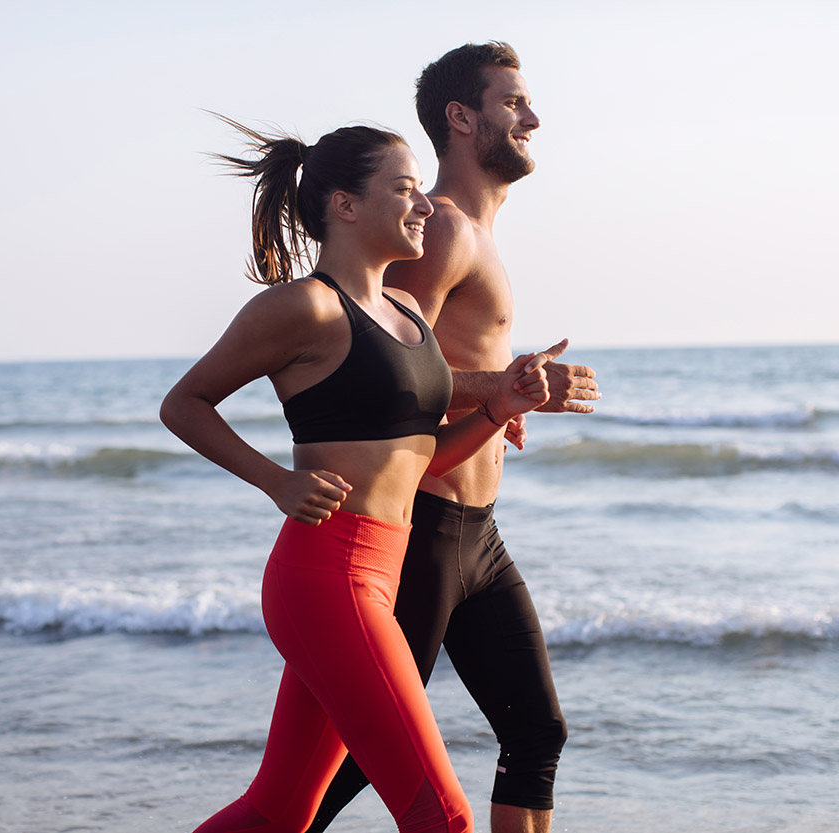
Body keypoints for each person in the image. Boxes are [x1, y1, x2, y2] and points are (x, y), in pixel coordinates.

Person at [160, 117, 567, 833]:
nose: (424, 206)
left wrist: (499, 406)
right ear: (345, 205)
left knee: (281, 810)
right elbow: (184, 403)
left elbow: (417, 464)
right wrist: (275, 480)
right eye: (404, 190)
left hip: (383, 569)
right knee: (442, 817)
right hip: (326, 575)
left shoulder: (407, 311)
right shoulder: (303, 307)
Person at [305, 42, 601, 833]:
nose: (532, 118)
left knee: (537, 732)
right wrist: (502, 390)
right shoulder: (440, 229)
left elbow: (438, 367)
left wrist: (506, 396)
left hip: (479, 535)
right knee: (343, 768)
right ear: (461, 118)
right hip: (424, 531)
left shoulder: (476, 234)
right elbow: (387, 374)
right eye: (512, 103)